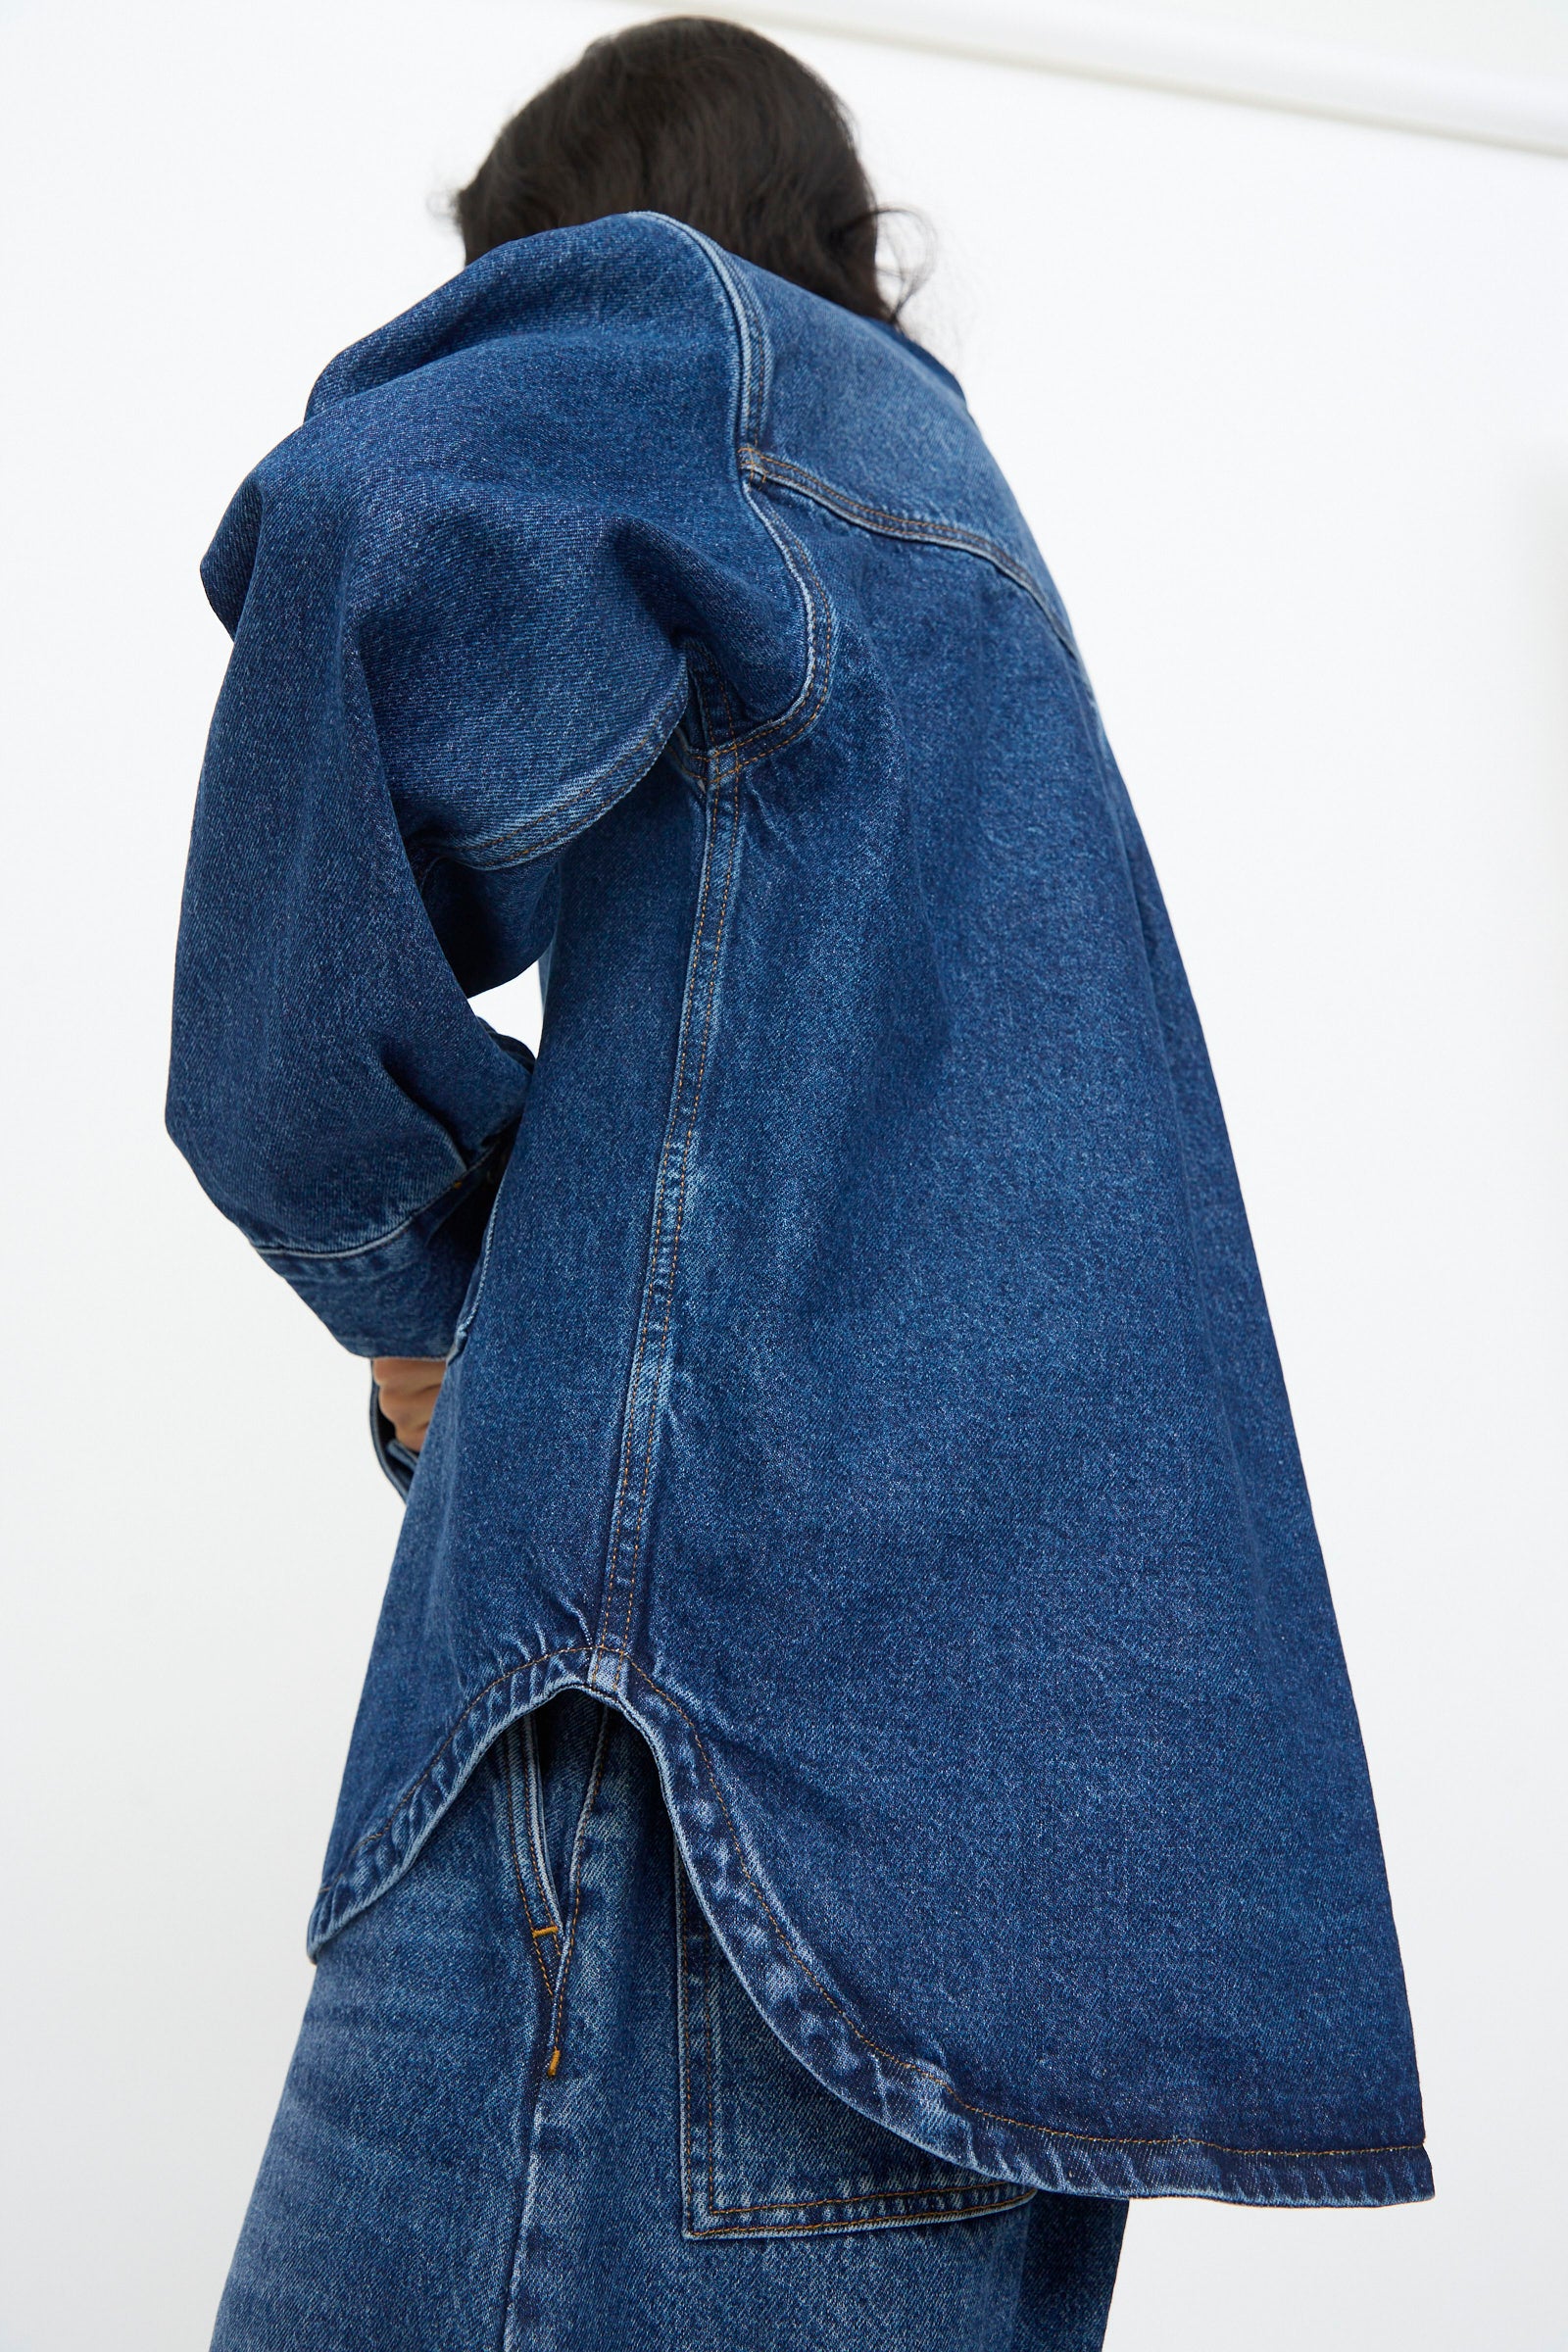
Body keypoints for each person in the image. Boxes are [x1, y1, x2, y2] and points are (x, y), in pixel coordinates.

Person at [168, 17, 1431, 2348]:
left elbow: (362, 522)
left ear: (549, 240)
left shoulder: (694, 347)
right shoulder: (962, 560)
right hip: (1014, 1924)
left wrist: (414, 1293)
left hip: (701, 1800)